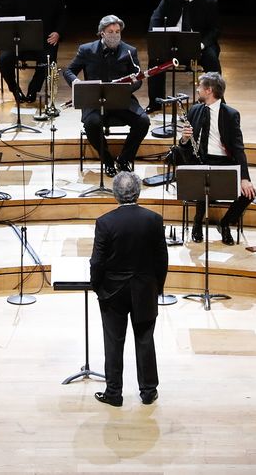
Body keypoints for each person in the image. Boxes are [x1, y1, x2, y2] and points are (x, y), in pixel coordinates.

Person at [89, 171, 169, 408]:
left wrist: (97, 286)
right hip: (144, 289)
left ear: (115, 194)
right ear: (138, 192)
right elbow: (161, 259)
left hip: (113, 291)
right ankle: (148, 391)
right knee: (145, 339)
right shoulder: (153, 219)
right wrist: (157, 287)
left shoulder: (105, 222)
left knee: (114, 342)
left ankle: (114, 393)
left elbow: (97, 262)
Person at [174, 72, 256, 245]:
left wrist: (244, 178)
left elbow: (238, 148)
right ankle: (197, 223)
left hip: (224, 162)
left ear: (209, 90)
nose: (197, 89)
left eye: (200, 86)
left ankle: (225, 224)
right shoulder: (194, 110)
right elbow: (184, 147)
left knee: (249, 194)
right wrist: (184, 139)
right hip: (201, 161)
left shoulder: (231, 114)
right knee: (201, 181)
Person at [63, 15, 151, 175]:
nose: (115, 35)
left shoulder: (129, 51)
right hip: (94, 100)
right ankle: (107, 160)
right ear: (102, 33)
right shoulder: (87, 50)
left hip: (120, 98)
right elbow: (69, 71)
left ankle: (124, 159)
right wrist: (76, 82)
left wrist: (128, 87)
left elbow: (138, 78)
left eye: (118, 31)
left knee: (143, 121)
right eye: (110, 31)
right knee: (91, 124)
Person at [147, 0, 220, 111]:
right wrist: (157, 36)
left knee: (212, 59)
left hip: (198, 45)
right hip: (172, 43)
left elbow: (215, 29)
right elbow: (156, 18)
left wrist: (202, 44)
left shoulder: (209, 2)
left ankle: (217, 101)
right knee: (155, 61)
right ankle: (155, 103)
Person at [0, 0, 66, 105]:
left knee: (48, 60)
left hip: (44, 40)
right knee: (3, 61)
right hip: (17, 40)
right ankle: (15, 89)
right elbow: (3, 17)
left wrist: (58, 32)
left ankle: (33, 89)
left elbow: (62, 15)